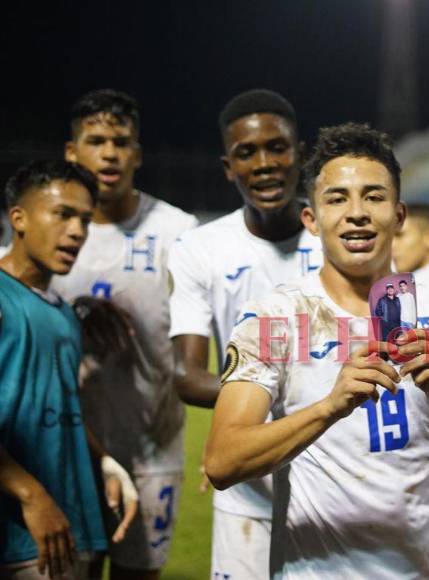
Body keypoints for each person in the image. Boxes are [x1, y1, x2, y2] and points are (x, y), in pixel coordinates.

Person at [205, 123, 429, 579]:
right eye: (337, 199)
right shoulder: (273, 317)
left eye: (374, 196)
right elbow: (223, 460)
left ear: (399, 214)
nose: (357, 213)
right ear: (311, 220)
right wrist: (329, 407)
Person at [168, 89, 322, 579]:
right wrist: (275, 400)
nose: (263, 164)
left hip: (336, 485)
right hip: (248, 490)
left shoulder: (339, 238)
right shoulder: (200, 249)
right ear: (227, 166)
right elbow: (187, 376)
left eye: (277, 147)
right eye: (246, 153)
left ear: (301, 152)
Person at [51, 89, 198, 580]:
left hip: (154, 448)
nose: (109, 153)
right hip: (66, 448)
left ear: (136, 153)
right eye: (95, 141)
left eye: (121, 141)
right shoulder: (47, 233)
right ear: (72, 152)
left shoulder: (178, 231)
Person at [0, 161, 111, 579]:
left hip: (66, 528)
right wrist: (31, 496)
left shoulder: (61, 311)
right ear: (20, 219)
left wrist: (104, 463)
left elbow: (59, 407)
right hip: (19, 535)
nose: (78, 231)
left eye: (85, 219)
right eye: (63, 214)